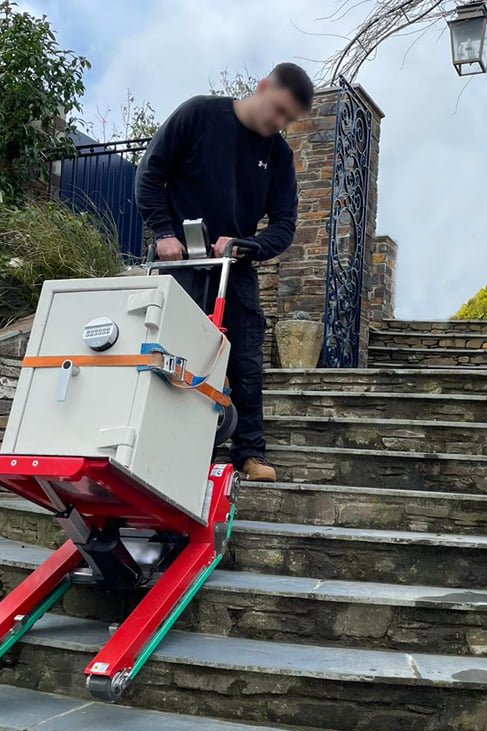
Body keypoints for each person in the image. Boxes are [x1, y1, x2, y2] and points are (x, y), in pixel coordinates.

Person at [135, 62, 314, 482]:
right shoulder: (199, 114)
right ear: (263, 86)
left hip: (235, 270)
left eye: (289, 118)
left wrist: (247, 246)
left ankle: (249, 454)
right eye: (278, 110)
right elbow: (149, 173)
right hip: (180, 264)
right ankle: (156, 448)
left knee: (247, 362)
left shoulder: (279, 156)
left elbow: (285, 225)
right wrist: (163, 231)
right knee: (171, 356)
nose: (279, 122)